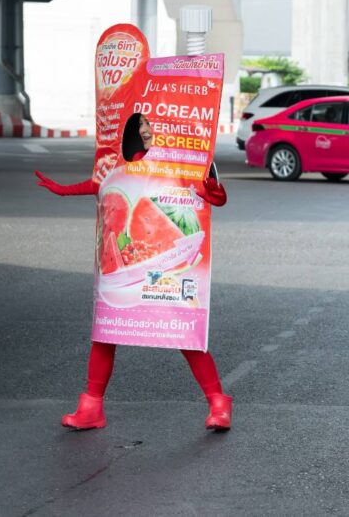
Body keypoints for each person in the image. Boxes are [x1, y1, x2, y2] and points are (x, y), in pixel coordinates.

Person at [34, 113, 232, 431]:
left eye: (152, 125)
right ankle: (91, 408)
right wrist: (61, 189)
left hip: (169, 271)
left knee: (186, 334)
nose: (147, 131)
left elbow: (216, 199)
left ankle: (218, 404)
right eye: (142, 126)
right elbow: (102, 185)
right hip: (125, 270)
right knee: (106, 333)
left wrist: (214, 190)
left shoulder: (189, 163)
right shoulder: (124, 163)